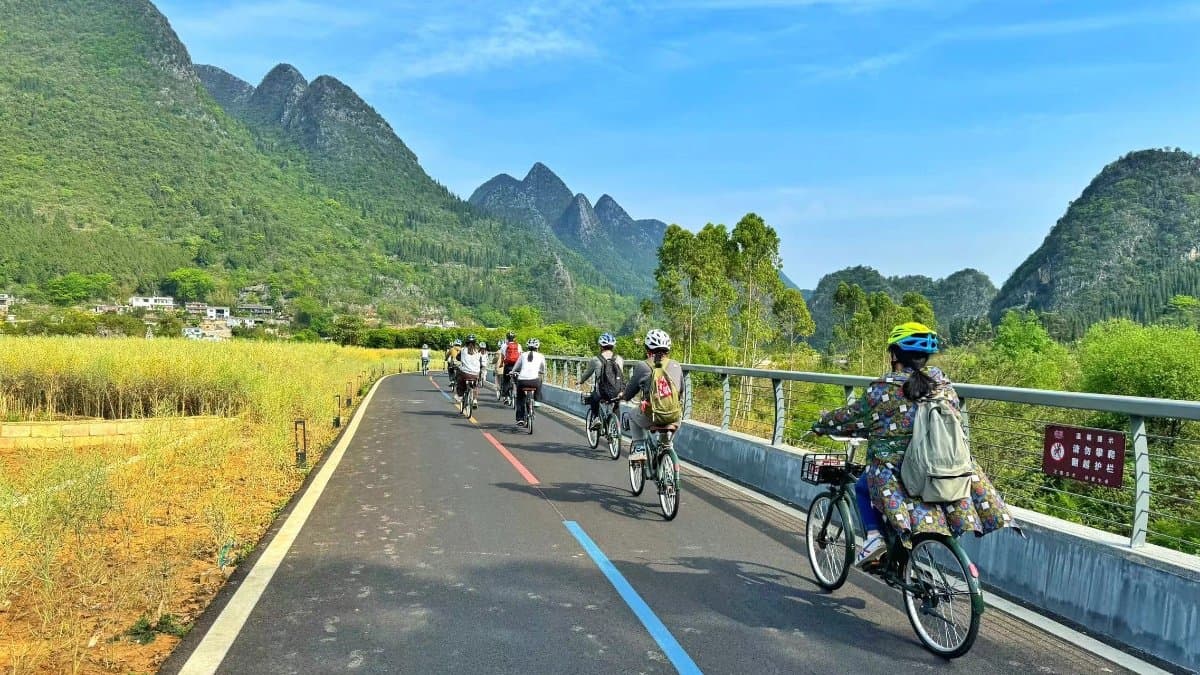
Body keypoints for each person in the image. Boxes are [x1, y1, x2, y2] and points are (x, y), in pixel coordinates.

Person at [812, 322, 1016, 566]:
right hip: (948, 468)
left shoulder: (883, 388)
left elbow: (851, 416)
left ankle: (874, 538)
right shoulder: (942, 383)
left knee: (865, 484)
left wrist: (822, 424)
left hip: (899, 471)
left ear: (895, 354)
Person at [619, 329, 682, 462]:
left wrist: (623, 396)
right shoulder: (676, 365)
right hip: (675, 416)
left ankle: (639, 448)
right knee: (666, 442)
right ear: (667, 349)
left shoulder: (643, 365)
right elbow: (681, 393)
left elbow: (629, 393)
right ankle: (667, 451)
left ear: (647, 348)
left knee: (631, 414)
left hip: (652, 416)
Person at [577, 333, 624, 429]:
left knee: (594, 398)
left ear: (601, 346)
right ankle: (616, 426)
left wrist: (581, 381)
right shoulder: (619, 359)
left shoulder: (595, 359)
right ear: (613, 346)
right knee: (616, 403)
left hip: (602, 391)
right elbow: (621, 375)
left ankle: (596, 418)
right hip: (617, 390)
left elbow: (587, 373)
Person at [510, 338, 545, 427]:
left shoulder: (523, 355)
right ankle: (537, 400)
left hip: (522, 381)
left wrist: (512, 372)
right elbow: (543, 369)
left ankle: (520, 418)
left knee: (520, 398)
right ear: (538, 347)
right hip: (534, 382)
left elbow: (516, 367)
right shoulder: (541, 356)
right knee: (539, 381)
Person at [456, 335, 485, 402]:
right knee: (475, 386)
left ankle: (460, 396)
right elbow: (480, 363)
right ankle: (475, 400)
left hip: (465, 373)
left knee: (459, 379)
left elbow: (457, 357)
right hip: (475, 374)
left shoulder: (463, 350)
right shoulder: (478, 351)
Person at [499, 331, 523, 402]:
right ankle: (519, 394)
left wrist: (501, 364)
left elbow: (503, 356)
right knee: (517, 380)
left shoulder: (504, 346)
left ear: (507, 338)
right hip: (517, 365)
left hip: (508, 365)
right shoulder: (518, 345)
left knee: (506, 380)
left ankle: (506, 396)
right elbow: (521, 356)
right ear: (514, 338)